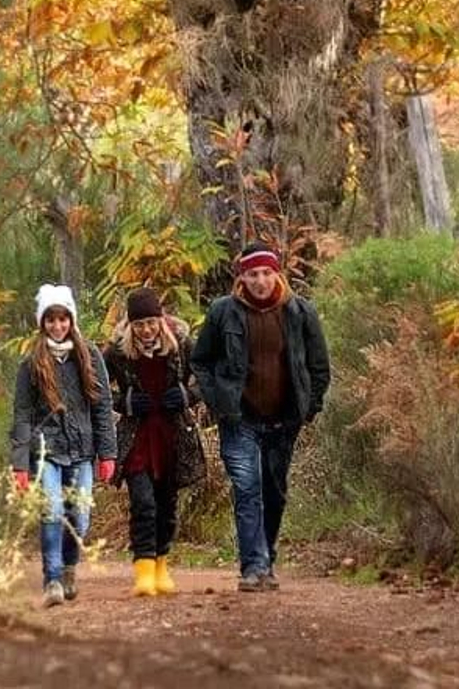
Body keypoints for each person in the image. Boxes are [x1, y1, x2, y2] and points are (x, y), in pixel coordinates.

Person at [190, 242, 331, 592]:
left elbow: (318, 367)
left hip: (284, 420)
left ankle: (266, 555)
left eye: (266, 273)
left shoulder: (300, 312)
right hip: (239, 418)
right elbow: (200, 361)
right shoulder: (224, 311)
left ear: (277, 274)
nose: (260, 281)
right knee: (247, 488)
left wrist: (308, 407)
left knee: (274, 491)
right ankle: (253, 566)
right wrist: (218, 400)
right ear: (242, 278)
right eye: (252, 274)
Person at [9, 283, 116, 607]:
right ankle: (52, 580)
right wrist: (20, 464)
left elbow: (101, 405)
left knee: (79, 517)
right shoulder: (31, 365)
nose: (58, 326)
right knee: (52, 511)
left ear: (71, 319)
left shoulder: (89, 355)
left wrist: (107, 453)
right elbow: (22, 415)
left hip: (82, 450)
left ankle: (69, 567)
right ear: (42, 323)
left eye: (63, 319)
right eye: (51, 320)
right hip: (47, 453)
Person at [103, 286, 200, 597]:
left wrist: (189, 395)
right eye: (139, 324)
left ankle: (161, 564)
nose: (146, 329)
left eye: (151, 322)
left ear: (161, 320)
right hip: (137, 437)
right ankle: (143, 569)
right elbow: (98, 387)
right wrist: (124, 402)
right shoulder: (118, 352)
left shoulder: (182, 344)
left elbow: (209, 376)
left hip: (173, 434)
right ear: (131, 325)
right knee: (143, 503)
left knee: (166, 504)